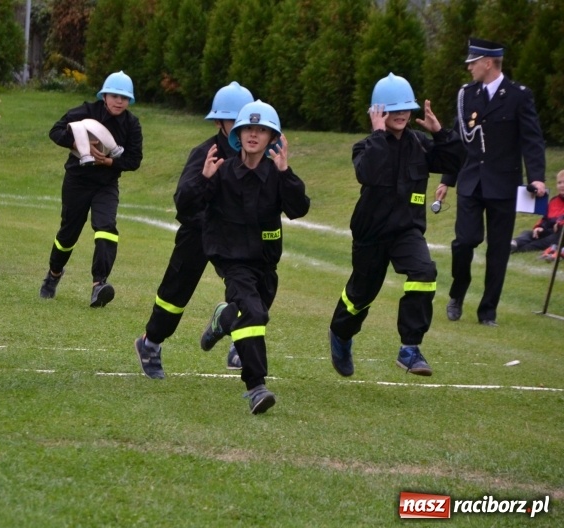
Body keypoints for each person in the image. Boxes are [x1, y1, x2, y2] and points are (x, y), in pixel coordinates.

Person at [176, 100, 311, 414]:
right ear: (238, 133)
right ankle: (256, 387)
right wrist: (203, 179)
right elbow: (185, 208)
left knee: (252, 310)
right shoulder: (221, 172)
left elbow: (299, 209)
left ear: (271, 137)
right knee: (254, 314)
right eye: (248, 128)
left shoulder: (277, 173)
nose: (254, 134)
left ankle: (224, 318)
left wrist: (287, 173)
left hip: (265, 263)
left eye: (261, 130)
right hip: (232, 260)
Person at [328, 73, 465, 379]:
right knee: (360, 296)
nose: (402, 114)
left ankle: (410, 348)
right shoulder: (365, 146)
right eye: (394, 108)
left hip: (407, 230)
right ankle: (340, 333)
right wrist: (377, 134)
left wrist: (440, 132)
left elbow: (455, 162)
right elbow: (367, 173)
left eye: (406, 108)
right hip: (371, 232)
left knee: (424, 273)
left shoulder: (419, 143)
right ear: (378, 112)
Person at [133, 82, 254, 380]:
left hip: (236, 237)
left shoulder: (259, 154)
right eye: (233, 120)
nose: (242, 129)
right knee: (174, 295)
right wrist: (203, 181)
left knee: (250, 287)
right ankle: (150, 343)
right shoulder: (205, 153)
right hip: (198, 232)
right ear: (219, 122)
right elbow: (182, 203)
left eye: (246, 121)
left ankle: (242, 344)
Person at [437, 38, 547, 326]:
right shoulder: (466, 95)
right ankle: (457, 294)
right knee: (465, 241)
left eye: (473, 63)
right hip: (471, 181)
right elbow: (461, 140)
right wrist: (447, 179)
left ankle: (487, 312)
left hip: (503, 184)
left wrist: (536, 177)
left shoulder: (518, 96)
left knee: (498, 250)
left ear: (488, 63)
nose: (469, 68)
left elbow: (532, 139)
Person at [40, 70, 143, 307]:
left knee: (106, 228)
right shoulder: (85, 112)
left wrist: (109, 162)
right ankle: (53, 274)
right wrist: (77, 143)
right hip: (77, 181)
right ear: (104, 96)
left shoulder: (132, 124)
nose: (119, 101)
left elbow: (134, 160)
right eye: (114, 96)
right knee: (68, 235)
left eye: (124, 98)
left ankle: (99, 285)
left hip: (106, 184)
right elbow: (55, 131)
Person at [511, 169, 564, 254]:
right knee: (528, 233)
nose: (562, 185)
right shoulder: (554, 201)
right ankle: (514, 243)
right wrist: (539, 227)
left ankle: (514, 249)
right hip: (550, 231)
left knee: (546, 241)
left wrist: (559, 223)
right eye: (559, 183)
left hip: (560, 235)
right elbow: (545, 218)